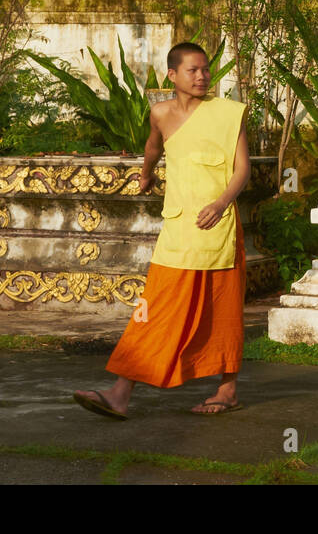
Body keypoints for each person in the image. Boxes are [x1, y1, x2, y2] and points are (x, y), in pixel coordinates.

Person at [73, 41, 250, 418]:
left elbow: (242, 171)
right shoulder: (161, 114)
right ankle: (121, 392)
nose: (202, 76)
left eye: (205, 70)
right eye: (193, 70)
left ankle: (227, 390)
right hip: (179, 229)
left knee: (224, 310)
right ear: (173, 75)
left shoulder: (228, 114)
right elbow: (153, 146)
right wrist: (147, 173)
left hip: (219, 229)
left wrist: (220, 205)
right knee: (154, 308)